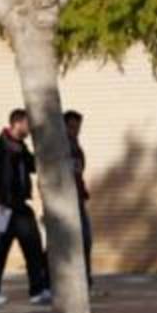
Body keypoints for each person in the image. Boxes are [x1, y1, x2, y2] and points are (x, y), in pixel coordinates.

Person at [0, 108, 51, 306]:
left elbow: (32, 165)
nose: (30, 129)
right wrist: (0, 201)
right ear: (17, 123)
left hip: (20, 206)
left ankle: (37, 290)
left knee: (33, 248)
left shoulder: (20, 145)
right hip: (4, 207)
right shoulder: (1, 144)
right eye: (28, 124)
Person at [64, 110, 95, 293]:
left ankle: (85, 279)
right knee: (67, 242)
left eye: (78, 127)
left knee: (85, 240)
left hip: (78, 199)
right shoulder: (61, 148)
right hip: (65, 202)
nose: (76, 131)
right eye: (72, 127)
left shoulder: (76, 146)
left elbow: (78, 173)